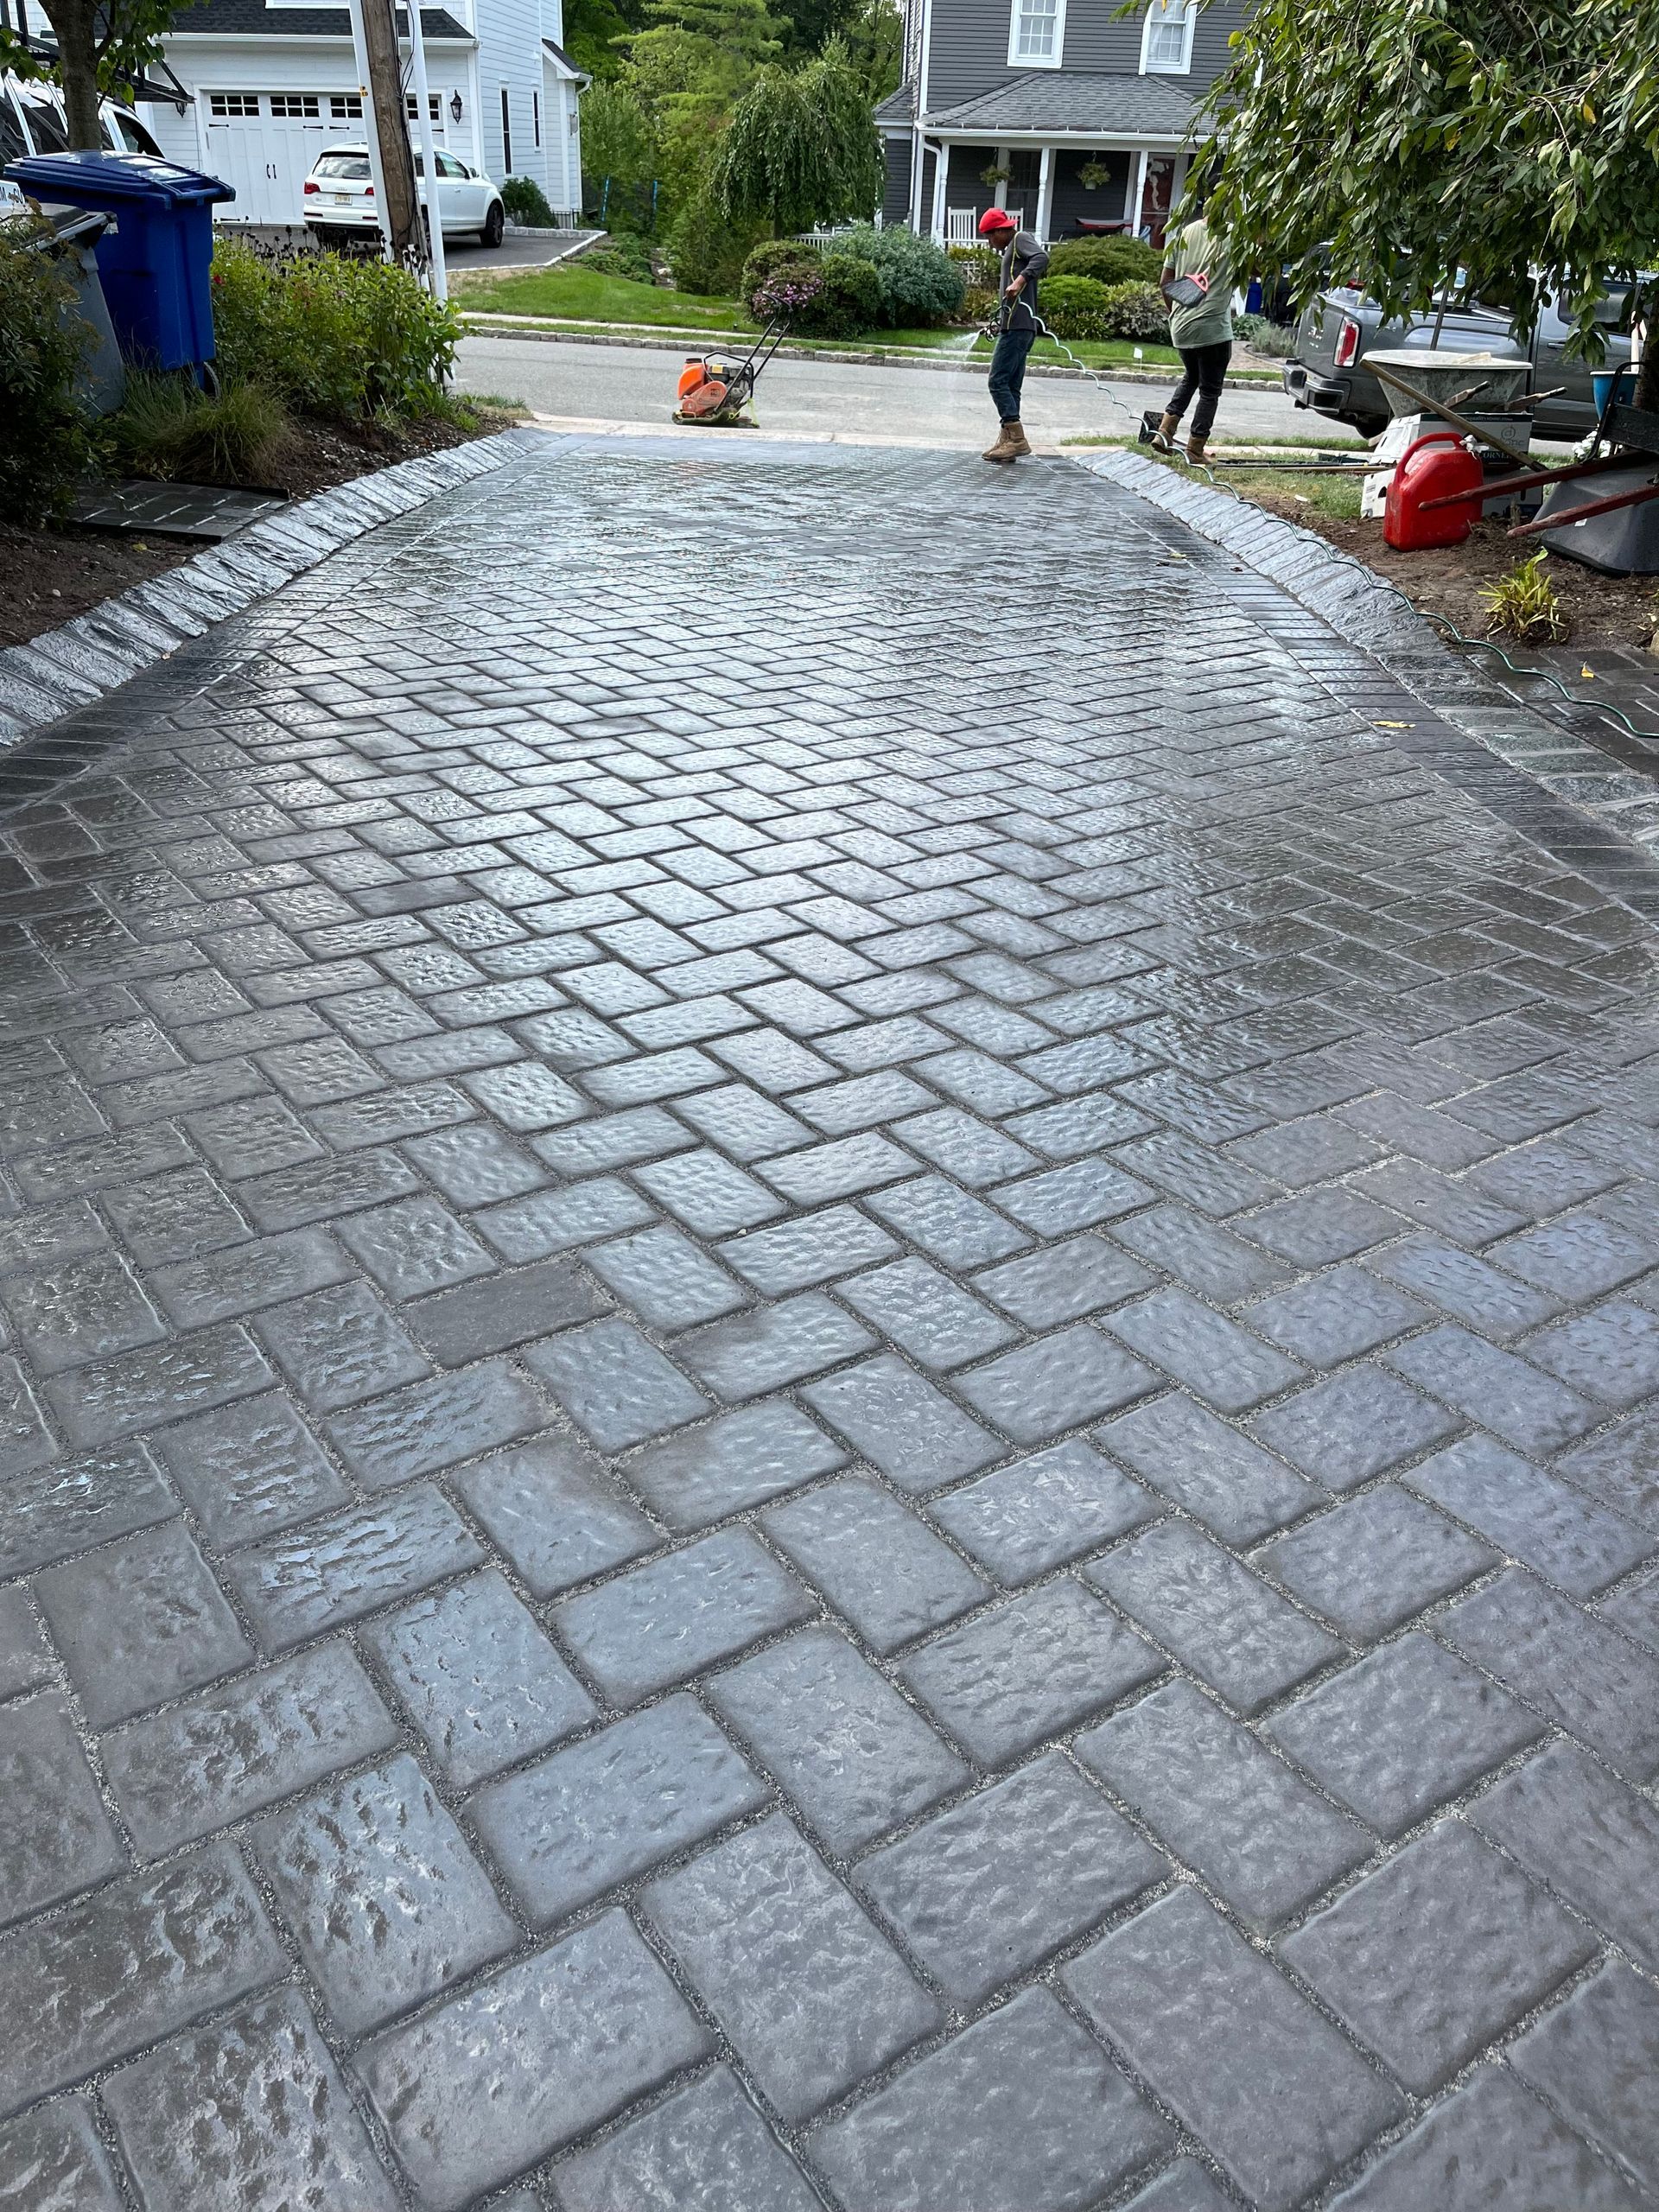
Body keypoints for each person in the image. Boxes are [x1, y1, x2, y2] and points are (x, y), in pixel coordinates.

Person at [1151, 209, 1236, 464]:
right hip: (1213, 328)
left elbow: (1165, 281)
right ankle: (1195, 449)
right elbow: (1258, 269)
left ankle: (1164, 433)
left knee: (1191, 377)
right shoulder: (1235, 236)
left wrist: (1176, 313)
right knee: (1210, 390)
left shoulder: (1185, 232)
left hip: (1182, 326)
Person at [978, 207, 1049, 464]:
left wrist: (1020, 281)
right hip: (1015, 325)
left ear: (1000, 230)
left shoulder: (1020, 238)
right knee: (1011, 386)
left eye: (989, 236)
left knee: (996, 381)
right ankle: (1007, 440)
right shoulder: (1011, 249)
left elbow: (1041, 258)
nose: (990, 242)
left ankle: (1016, 438)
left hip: (1020, 327)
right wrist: (1000, 323)